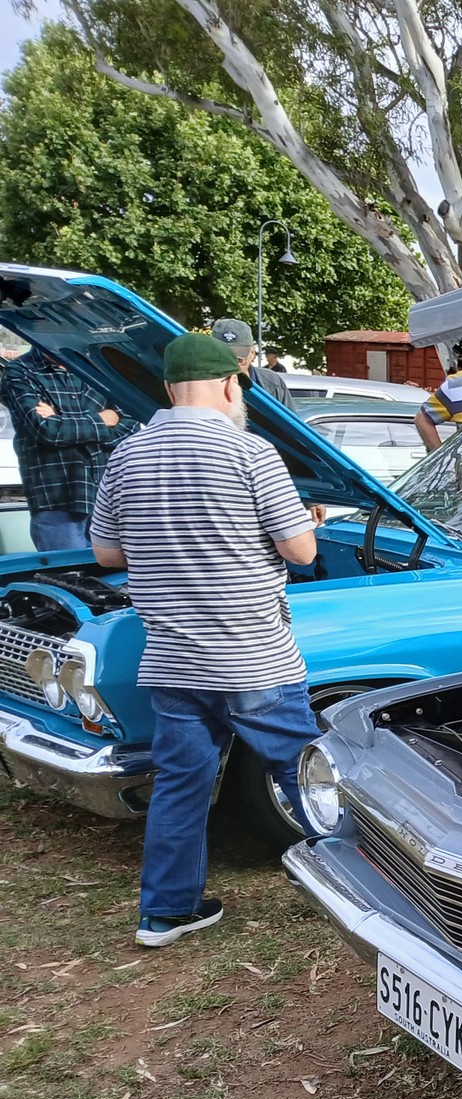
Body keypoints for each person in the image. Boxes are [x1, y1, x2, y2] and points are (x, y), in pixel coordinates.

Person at [89, 331, 324, 947]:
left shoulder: (126, 456)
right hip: (253, 658)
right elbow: (300, 551)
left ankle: (166, 913)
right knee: (307, 771)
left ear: (168, 389)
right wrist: (304, 522)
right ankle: (369, 886)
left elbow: (107, 552)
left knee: (179, 782)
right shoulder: (252, 453)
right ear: (231, 382)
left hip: (171, 658)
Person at [1, 345, 132, 550]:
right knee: (67, 577)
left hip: (107, 498)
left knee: (114, 580)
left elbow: (130, 426)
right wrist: (102, 419)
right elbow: (47, 431)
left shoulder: (98, 369)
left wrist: (61, 420)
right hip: (57, 499)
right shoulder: (20, 370)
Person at [209, 318, 289, 402]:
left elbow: (288, 414)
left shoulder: (273, 383)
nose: (230, 367)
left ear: (252, 353)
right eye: (222, 359)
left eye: (238, 359)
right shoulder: (199, 385)